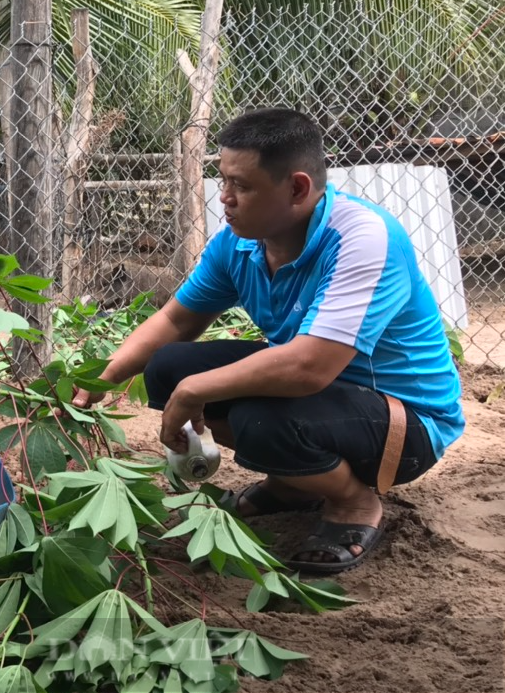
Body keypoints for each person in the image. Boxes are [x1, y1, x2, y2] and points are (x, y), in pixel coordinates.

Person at [75, 107, 464, 574]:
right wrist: (107, 376)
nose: (225, 198)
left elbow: (308, 368)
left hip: (405, 422)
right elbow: (176, 321)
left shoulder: (363, 237)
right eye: (223, 181)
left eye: (242, 185)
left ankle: (353, 502)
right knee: (168, 365)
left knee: (256, 415)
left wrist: (195, 390)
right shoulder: (238, 243)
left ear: (298, 188)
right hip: (326, 399)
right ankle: (295, 482)